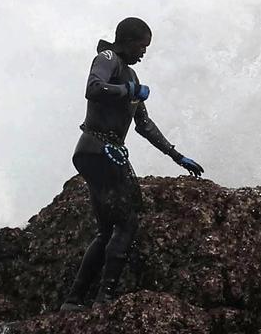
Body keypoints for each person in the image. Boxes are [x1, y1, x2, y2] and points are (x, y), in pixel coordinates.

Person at [60, 17, 205, 311]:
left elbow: (144, 124)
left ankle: (74, 300)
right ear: (128, 40)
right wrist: (128, 91)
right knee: (127, 223)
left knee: (106, 231)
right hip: (99, 149)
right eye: (142, 45)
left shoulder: (132, 77)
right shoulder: (107, 58)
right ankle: (105, 299)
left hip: (99, 152)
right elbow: (93, 88)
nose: (144, 52)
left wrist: (176, 156)